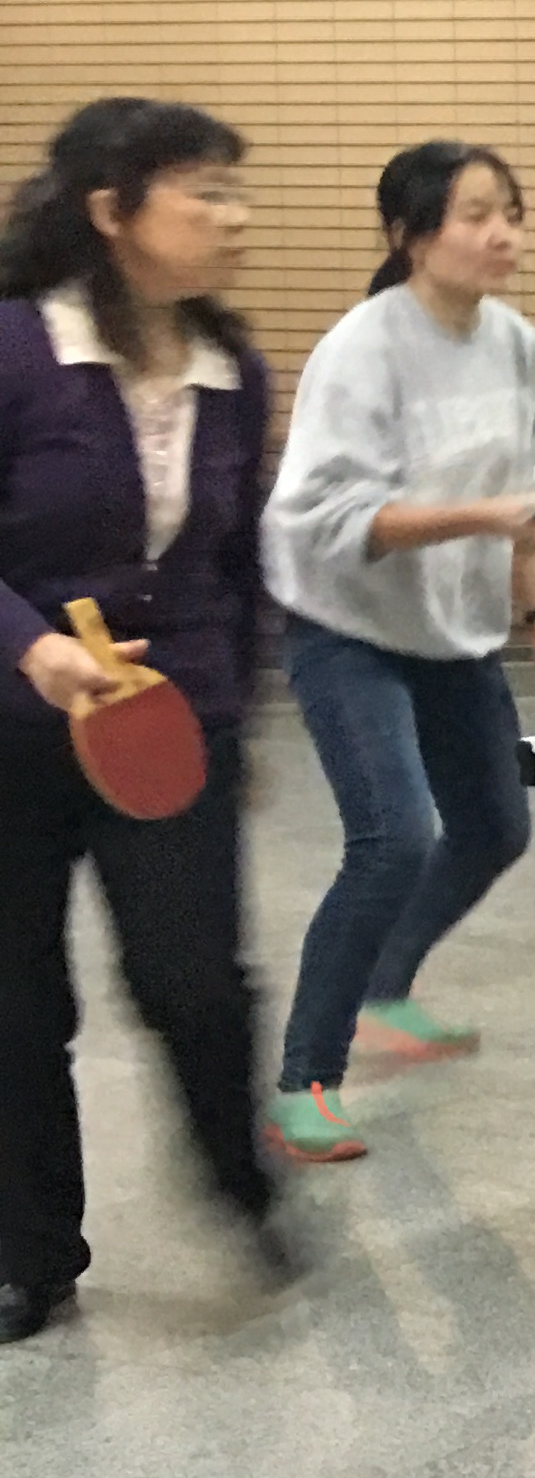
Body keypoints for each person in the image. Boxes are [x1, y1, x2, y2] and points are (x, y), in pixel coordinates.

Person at [0, 100, 293, 1334]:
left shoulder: (232, 372)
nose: (235, 219)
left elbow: (237, 569)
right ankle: (30, 1255)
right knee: (17, 1004)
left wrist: (237, 720)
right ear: (112, 212)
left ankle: (239, 1180)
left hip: (171, 728)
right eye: (205, 194)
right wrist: (33, 650)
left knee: (195, 984)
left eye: (235, 191)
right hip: (12, 730)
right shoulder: (16, 349)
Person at [263, 142, 535, 1162]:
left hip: (453, 625)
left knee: (493, 828)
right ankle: (305, 1079)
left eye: (511, 212)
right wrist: (488, 516)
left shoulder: (515, 342)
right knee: (393, 839)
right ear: (410, 235)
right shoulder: (361, 349)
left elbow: (516, 494)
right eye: (476, 214)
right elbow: (327, 517)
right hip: (345, 626)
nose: (503, 234)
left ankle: (383, 993)